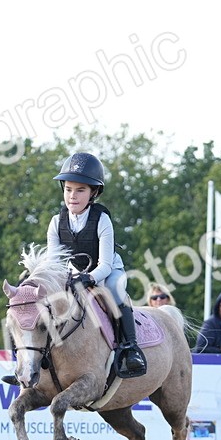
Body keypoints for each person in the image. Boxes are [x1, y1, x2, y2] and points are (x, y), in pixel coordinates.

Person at [46, 152, 146, 378]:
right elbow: (53, 263)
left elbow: (105, 265)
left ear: (93, 192)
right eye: (68, 189)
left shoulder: (102, 219)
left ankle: (130, 348)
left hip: (107, 272)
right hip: (73, 273)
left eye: (80, 190)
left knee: (114, 290)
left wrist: (89, 278)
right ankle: (32, 358)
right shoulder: (56, 222)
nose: (72, 196)